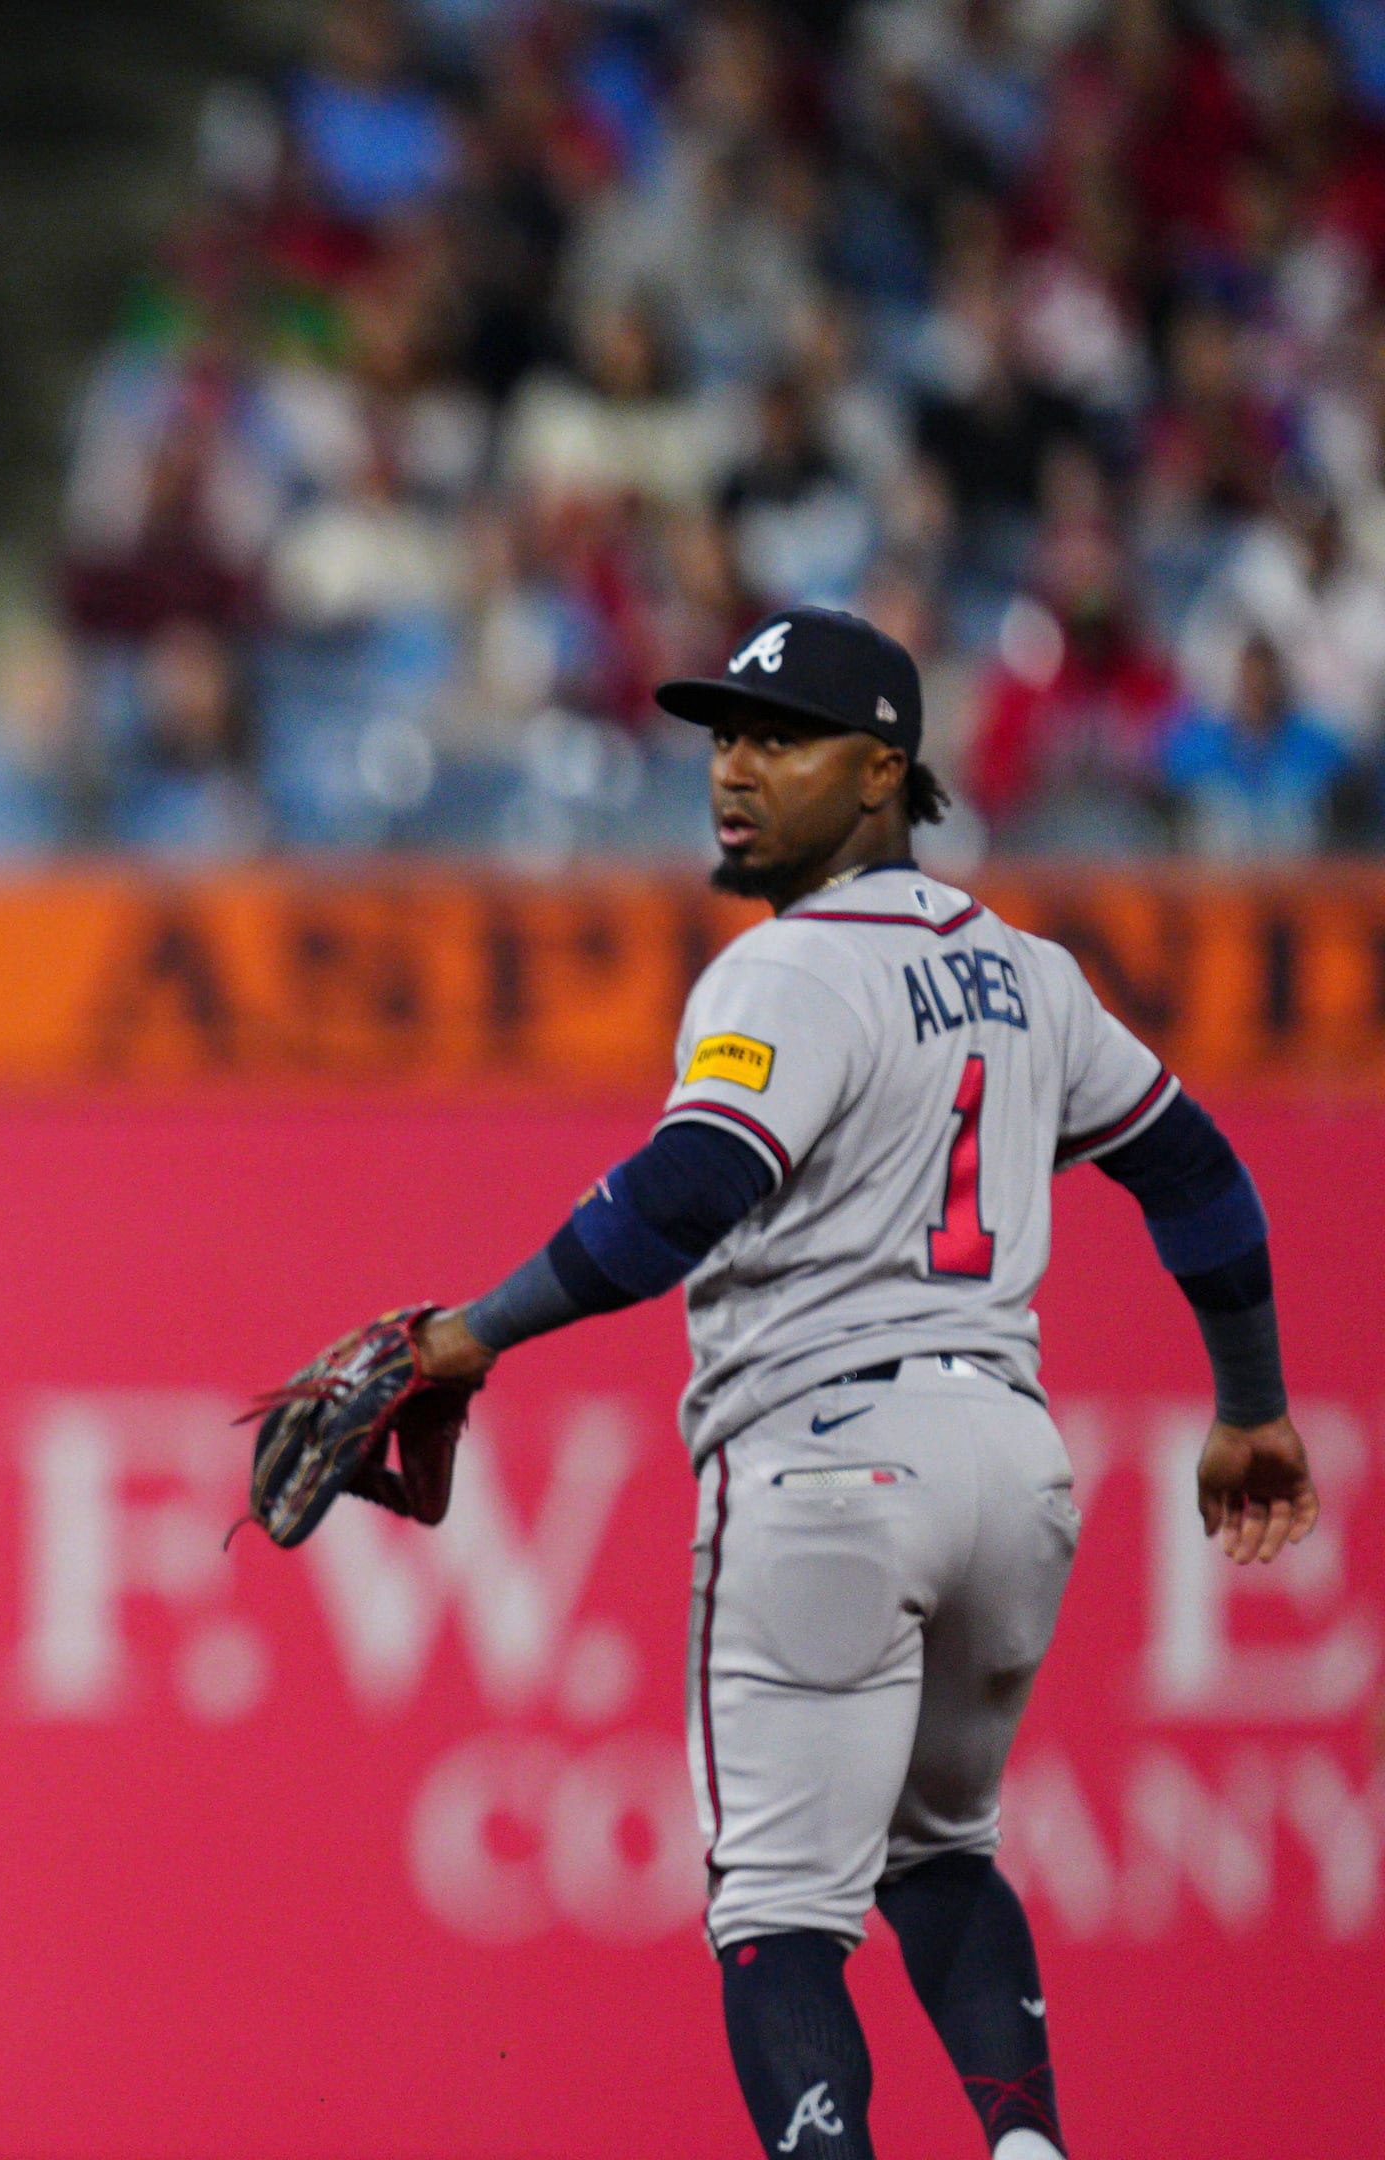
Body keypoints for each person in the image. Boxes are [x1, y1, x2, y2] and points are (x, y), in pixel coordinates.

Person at [372, 606, 1317, 2157]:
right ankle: (1026, 2147)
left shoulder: (784, 972)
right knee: (941, 1850)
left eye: (780, 739)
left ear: (884, 770)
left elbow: (685, 1193)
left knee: (779, 1912)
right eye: (724, 737)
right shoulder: (1027, 977)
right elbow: (1202, 1175)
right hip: (1012, 1471)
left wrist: (471, 1332)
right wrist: (1253, 1403)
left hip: (819, 1460)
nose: (733, 770)